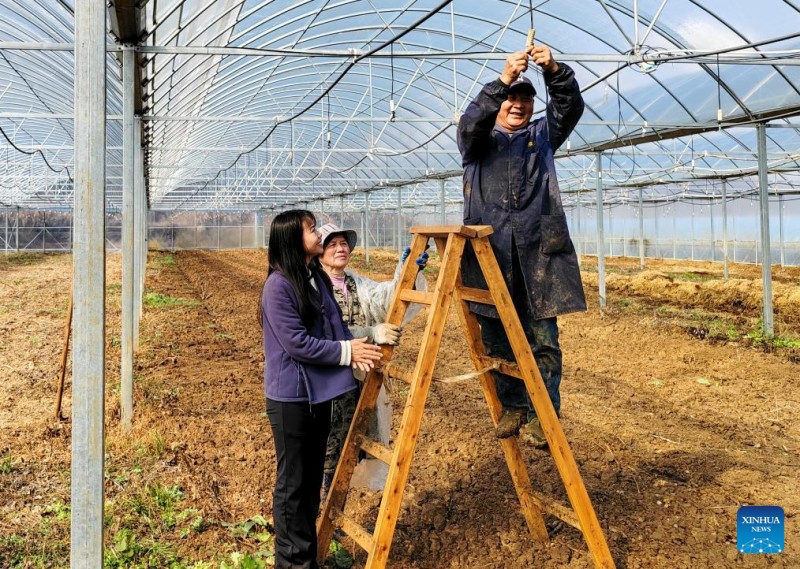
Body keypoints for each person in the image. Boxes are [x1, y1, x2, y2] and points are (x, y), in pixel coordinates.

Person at [457, 44, 585, 448]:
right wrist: (503, 80)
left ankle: (542, 415)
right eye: (511, 98)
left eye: (525, 99)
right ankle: (513, 405)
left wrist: (555, 70)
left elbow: (569, 107)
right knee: (497, 340)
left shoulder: (541, 136)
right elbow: (469, 123)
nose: (517, 105)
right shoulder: (478, 143)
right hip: (490, 258)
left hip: (538, 260)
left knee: (543, 341)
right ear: (499, 103)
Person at [261, 210, 383, 569]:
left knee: (311, 480)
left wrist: (361, 347)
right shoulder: (279, 286)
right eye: (311, 229)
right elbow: (297, 343)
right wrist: (347, 352)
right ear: (291, 239)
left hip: (319, 395)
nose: (319, 234)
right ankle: (292, 563)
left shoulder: (315, 277)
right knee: (294, 485)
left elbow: (335, 326)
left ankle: (306, 558)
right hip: (291, 399)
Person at [315, 222, 428, 498]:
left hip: (360, 374)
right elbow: (324, 334)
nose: (340, 249)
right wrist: (372, 333)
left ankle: (337, 496)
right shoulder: (314, 287)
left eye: (343, 243)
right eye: (332, 245)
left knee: (356, 433)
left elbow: (384, 300)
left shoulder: (355, 283)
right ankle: (323, 500)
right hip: (328, 376)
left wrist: (406, 272)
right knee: (328, 439)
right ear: (319, 253)